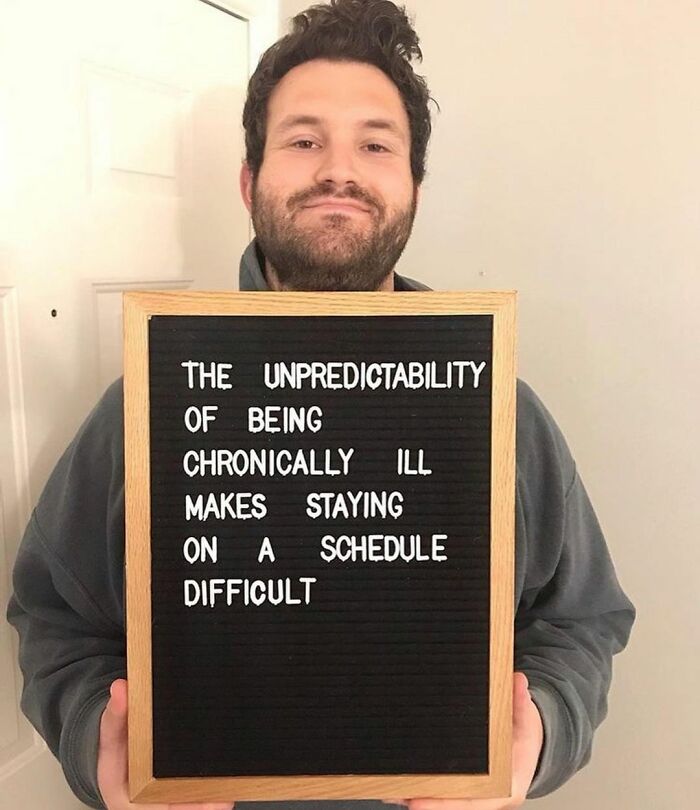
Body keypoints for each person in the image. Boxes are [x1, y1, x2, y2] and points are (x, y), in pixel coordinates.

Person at [7, 1, 635, 809]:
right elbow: (55, 614)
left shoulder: (499, 410)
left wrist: (536, 736)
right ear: (249, 181)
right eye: (303, 140)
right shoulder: (149, 403)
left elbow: (581, 621)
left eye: (376, 145)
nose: (338, 169)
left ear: (412, 187)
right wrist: (100, 747)